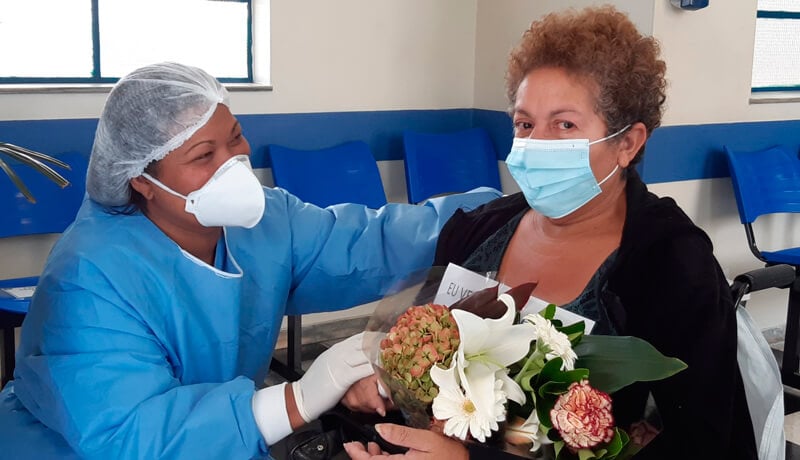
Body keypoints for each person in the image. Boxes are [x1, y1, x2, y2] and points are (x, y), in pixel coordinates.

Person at [0, 62, 500, 460]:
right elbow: (131, 432)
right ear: (142, 182)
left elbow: (365, 244)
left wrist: (490, 216)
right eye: (204, 155)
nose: (233, 165)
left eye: (235, 137)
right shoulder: (90, 276)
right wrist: (299, 398)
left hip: (224, 440)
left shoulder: (264, 224)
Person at [344, 5, 757, 460]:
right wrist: (383, 390)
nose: (537, 143)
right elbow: (428, 379)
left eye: (565, 124)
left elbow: (705, 441)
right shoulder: (475, 232)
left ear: (628, 142)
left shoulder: (669, 264)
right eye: (525, 123)